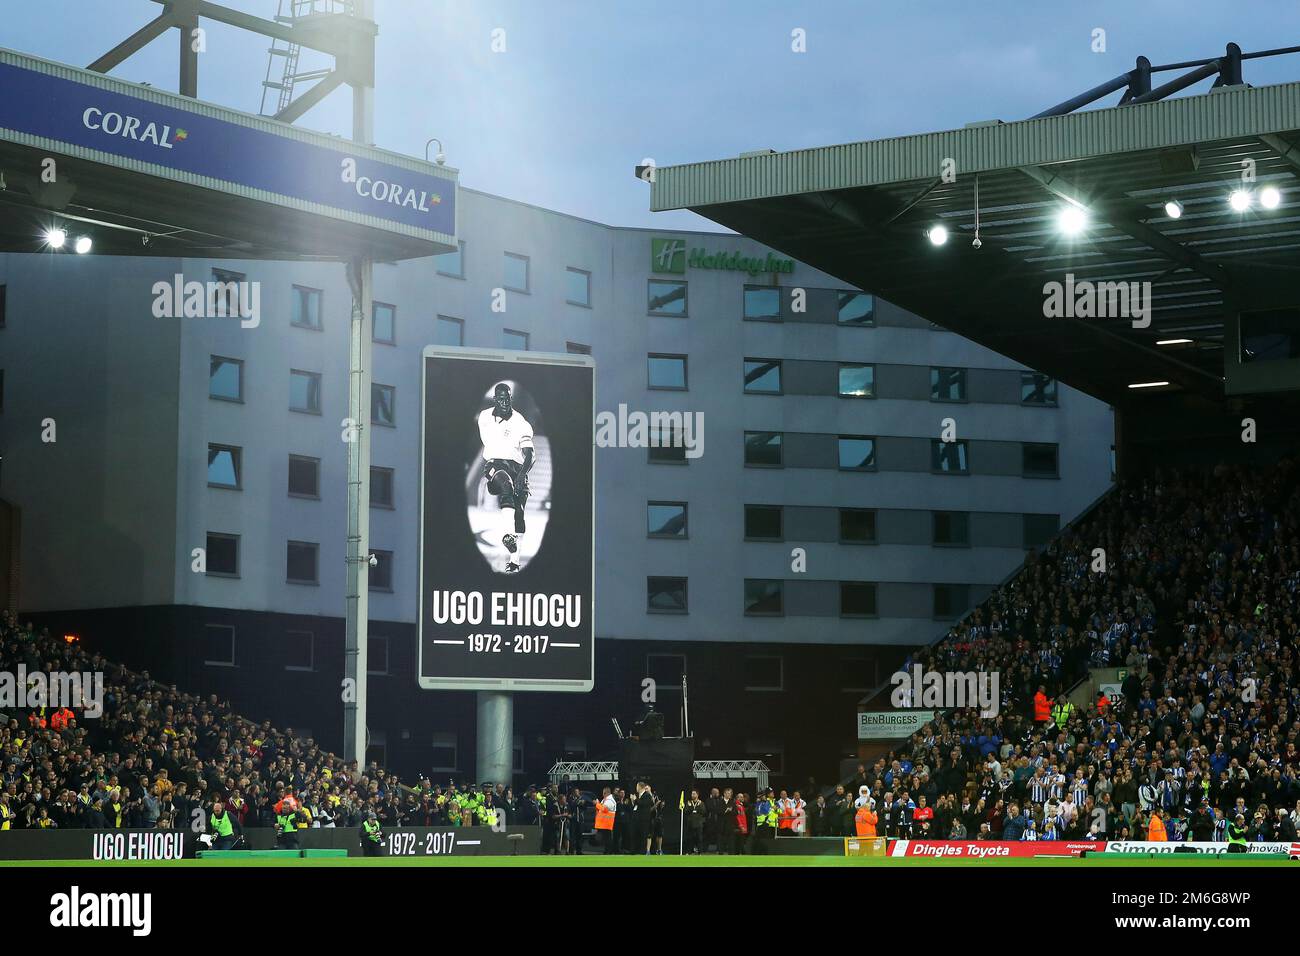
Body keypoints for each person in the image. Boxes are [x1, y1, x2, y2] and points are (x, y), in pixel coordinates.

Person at [477, 383, 534, 574]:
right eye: (500, 398)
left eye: (507, 397)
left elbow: (530, 455)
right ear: (495, 399)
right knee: (506, 483)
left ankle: (514, 561)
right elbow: (489, 443)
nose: (504, 402)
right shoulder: (485, 417)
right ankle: (508, 535)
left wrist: (522, 474)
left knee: (520, 512)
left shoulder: (521, 423)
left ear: (511, 398)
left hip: (518, 467)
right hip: (496, 465)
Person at [633, 782, 655, 855]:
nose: (636, 788)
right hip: (638, 820)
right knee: (638, 836)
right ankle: (637, 851)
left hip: (644, 820)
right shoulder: (639, 795)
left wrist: (635, 800)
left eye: (637, 786)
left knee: (643, 836)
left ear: (640, 787)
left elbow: (643, 804)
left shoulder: (647, 795)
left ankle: (643, 852)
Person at [595, 786, 617, 854]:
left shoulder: (610, 800)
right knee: (606, 838)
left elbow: (604, 809)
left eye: (603, 793)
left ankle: (609, 852)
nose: (602, 794)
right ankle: (606, 851)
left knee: (608, 839)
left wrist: (597, 804)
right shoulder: (605, 799)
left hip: (607, 823)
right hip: (604, 823)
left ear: (606, 793)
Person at [683, 790, 706, 855]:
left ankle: (700, 852)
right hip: (690, 823)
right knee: (690, 838)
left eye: (694, 794)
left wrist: (698, 807)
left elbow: (704, 812)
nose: (693, 795)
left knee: (699, 838)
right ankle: (689, 851)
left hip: (698, 823)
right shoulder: (689, 803)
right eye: (692, 794)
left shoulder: (701, 803)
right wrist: (690, 807)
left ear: (697, 795)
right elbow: (686, 811)